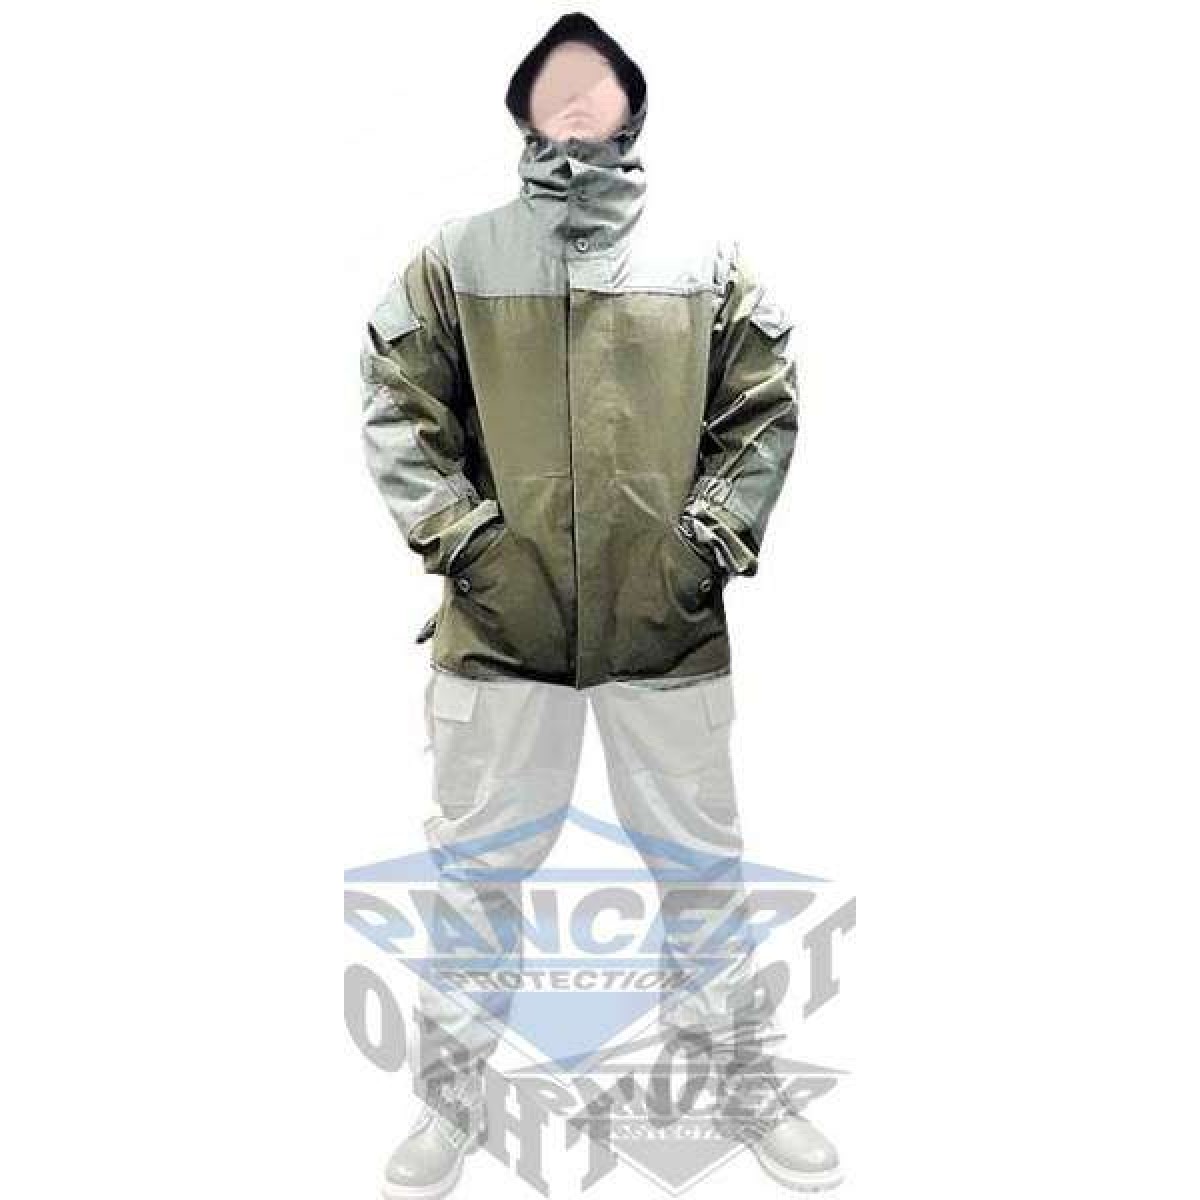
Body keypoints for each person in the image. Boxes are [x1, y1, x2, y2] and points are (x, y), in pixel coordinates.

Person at [360, 11, 842, 1195]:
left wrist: (705, 547)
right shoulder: (459, 258)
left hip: (662, 624)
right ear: (521, 108)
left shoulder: (704, 258)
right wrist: (470, 545)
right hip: (502, 628)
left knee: (701, 871)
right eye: (553, 80)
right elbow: (398, 401)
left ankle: (737, 1081)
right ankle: (451, 1102)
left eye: (599, 80)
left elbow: (762, 405)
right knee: (477, 877)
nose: (576, 95)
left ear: (635, 104)